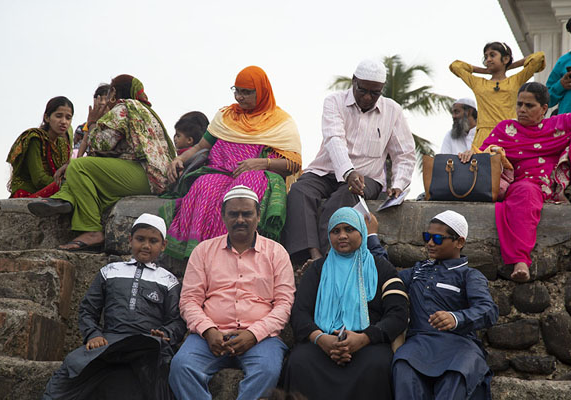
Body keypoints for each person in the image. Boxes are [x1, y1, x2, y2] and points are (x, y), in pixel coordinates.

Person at [459, 82, 571, 282]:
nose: (522, 110)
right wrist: (471, 153)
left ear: (543, 109)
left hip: (559, 183)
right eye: (519, 104)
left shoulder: (556, 124)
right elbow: (485, 152)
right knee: (524, 193)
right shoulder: (506, 129)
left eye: (529, 106)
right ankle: (520, 260)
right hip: (525, 185)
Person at [168, 185, 296, 400]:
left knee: (266, 371)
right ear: (223, 216)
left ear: (258, 215)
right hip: (208, 337)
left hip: (261, 338)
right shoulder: (203, 251)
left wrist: (254, 334)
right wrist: (208, 331)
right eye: (233, 214)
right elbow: (189, 300)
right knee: (181, 368)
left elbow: (284, 304)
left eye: (247, 214)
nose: (240, 220)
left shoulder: (276, 253)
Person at [284, 58, 416, 263]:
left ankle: (329, 258)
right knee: (300, 192)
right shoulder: (334, 101)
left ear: (382, 89)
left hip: (367, 178)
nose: (367, 97)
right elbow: (334, 138)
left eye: (375, 93)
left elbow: (404, 154)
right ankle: (313, 256)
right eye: (363, 90)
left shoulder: (393, 111)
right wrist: (347, 172)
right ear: (354, 81)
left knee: (345, 195)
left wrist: (399, 184)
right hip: (325, 171)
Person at [162, 66, 302, 259]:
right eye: (237, 90)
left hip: (254, 174)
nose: (239, 97)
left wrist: (261, 163)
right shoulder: (225, 117)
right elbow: (200, 146)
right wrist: (178, 159)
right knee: (204, 185)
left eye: (246, 92)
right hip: (220, 171)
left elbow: (293, 164)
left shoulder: (281, 122)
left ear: (261, 92)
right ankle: (203, 256)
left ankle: (238, 254)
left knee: (241, 192)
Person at [43, 213, 186, 400]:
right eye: (140, 239)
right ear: (130, 240)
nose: (145, 245)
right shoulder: (110, 271)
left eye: (153, 241)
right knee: (66, 377)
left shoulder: (168, 280)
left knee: (160, 377)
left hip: (147, 344)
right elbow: (88, 310)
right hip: (108, 343)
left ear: (163, 245)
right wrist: (94, 335)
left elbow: (177, 320)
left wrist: (165, 333)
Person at [27, 75, 175, 252]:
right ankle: (66, 198)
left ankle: (91, 230)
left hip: (145, 174)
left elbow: (101, 144)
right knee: (87, 178)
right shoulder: (143, 110)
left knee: (78, 166)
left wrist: (92, 123)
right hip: (152, 177)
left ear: (114, 93)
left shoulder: (124, 107)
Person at [284, 207, 409, 400]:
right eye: (336, 231)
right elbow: (300, 312)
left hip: (368, 343)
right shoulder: (317, 270)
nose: (342, 236)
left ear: (362, 232)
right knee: (299, 362)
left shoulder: (382, 268)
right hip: (323, 342)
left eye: (349, 230)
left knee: (377, 365)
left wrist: (364, 338)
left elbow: (397, 313)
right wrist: (321, 339)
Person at [392, 210, 498, 400]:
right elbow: (385, 277)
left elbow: (488, 310)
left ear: (460, 242)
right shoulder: (416, 272)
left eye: (438, 239)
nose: (430, 243)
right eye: (427, 237)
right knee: (403, 367)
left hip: (459, 344)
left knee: (456, 375)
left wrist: (456, 318)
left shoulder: (469, 275)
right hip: (419, 343)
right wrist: (372, 237)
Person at [450, 43, 545, 147]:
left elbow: (538, 58)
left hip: (509, 133)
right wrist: (485, 71)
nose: (488, 60)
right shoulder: (478, 83)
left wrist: (509, 66)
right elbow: (455, 66)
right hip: (484, 136)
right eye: (486, 57)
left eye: (492, 55)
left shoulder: (515, 81)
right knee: (482, 163)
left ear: (505, 58)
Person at [6, 96, 73, 198]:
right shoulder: (35, 139)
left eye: (68, 118)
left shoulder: (63, 145)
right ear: (47, 118)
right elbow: (39, 180)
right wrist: (66, 184)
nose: (64, 121)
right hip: (29, 194)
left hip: (55, 191)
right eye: (59, 116)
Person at [74, 84, 111, 158]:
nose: (102, 103)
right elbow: (84, 141)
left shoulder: (114, 122)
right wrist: (79, 158)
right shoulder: (89, 123)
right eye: (100, 99)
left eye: (106, 99)